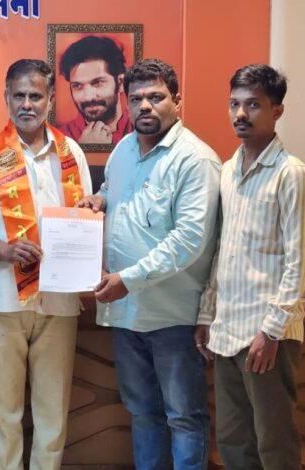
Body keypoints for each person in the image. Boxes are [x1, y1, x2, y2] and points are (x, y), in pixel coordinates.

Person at [78, 59, 221, 470]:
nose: (145, 105)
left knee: (183, 416)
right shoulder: (124, 149)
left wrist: (128, 279)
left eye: (156, 97)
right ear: (126, 103)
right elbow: (113, 189)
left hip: (172, 316)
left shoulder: (195, 160)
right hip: (127, 314)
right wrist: (100, 200)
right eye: (136, 98)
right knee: (142, 413)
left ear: (177, 101)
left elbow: (189, 239)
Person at [0, 59, 92, 469]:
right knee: (4, 412)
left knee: (53, 412)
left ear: (50, 99)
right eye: (19, 95)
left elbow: (84, 218)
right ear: (6, 98)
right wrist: (6, 251)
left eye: (35, 95)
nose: (27, 104)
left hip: (59, 301)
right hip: (3, 299)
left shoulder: (72, 153)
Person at [196, 64, 305, 470]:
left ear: (277, 110)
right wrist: (207, 314)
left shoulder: (291, 174)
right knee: (232, 440)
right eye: (234, 104)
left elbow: (299, 262)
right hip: (227, 330)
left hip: (267, 335)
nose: (241, 114)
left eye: (253, 105)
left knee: (273, 441)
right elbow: (222, 250)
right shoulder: (229, 171)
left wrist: (271, 331)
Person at [57, 35, 133, 145]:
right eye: (77, 86)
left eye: (97, 83)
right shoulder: (59, 138)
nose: (88, 97)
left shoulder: (143, 133)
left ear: (120, 83)